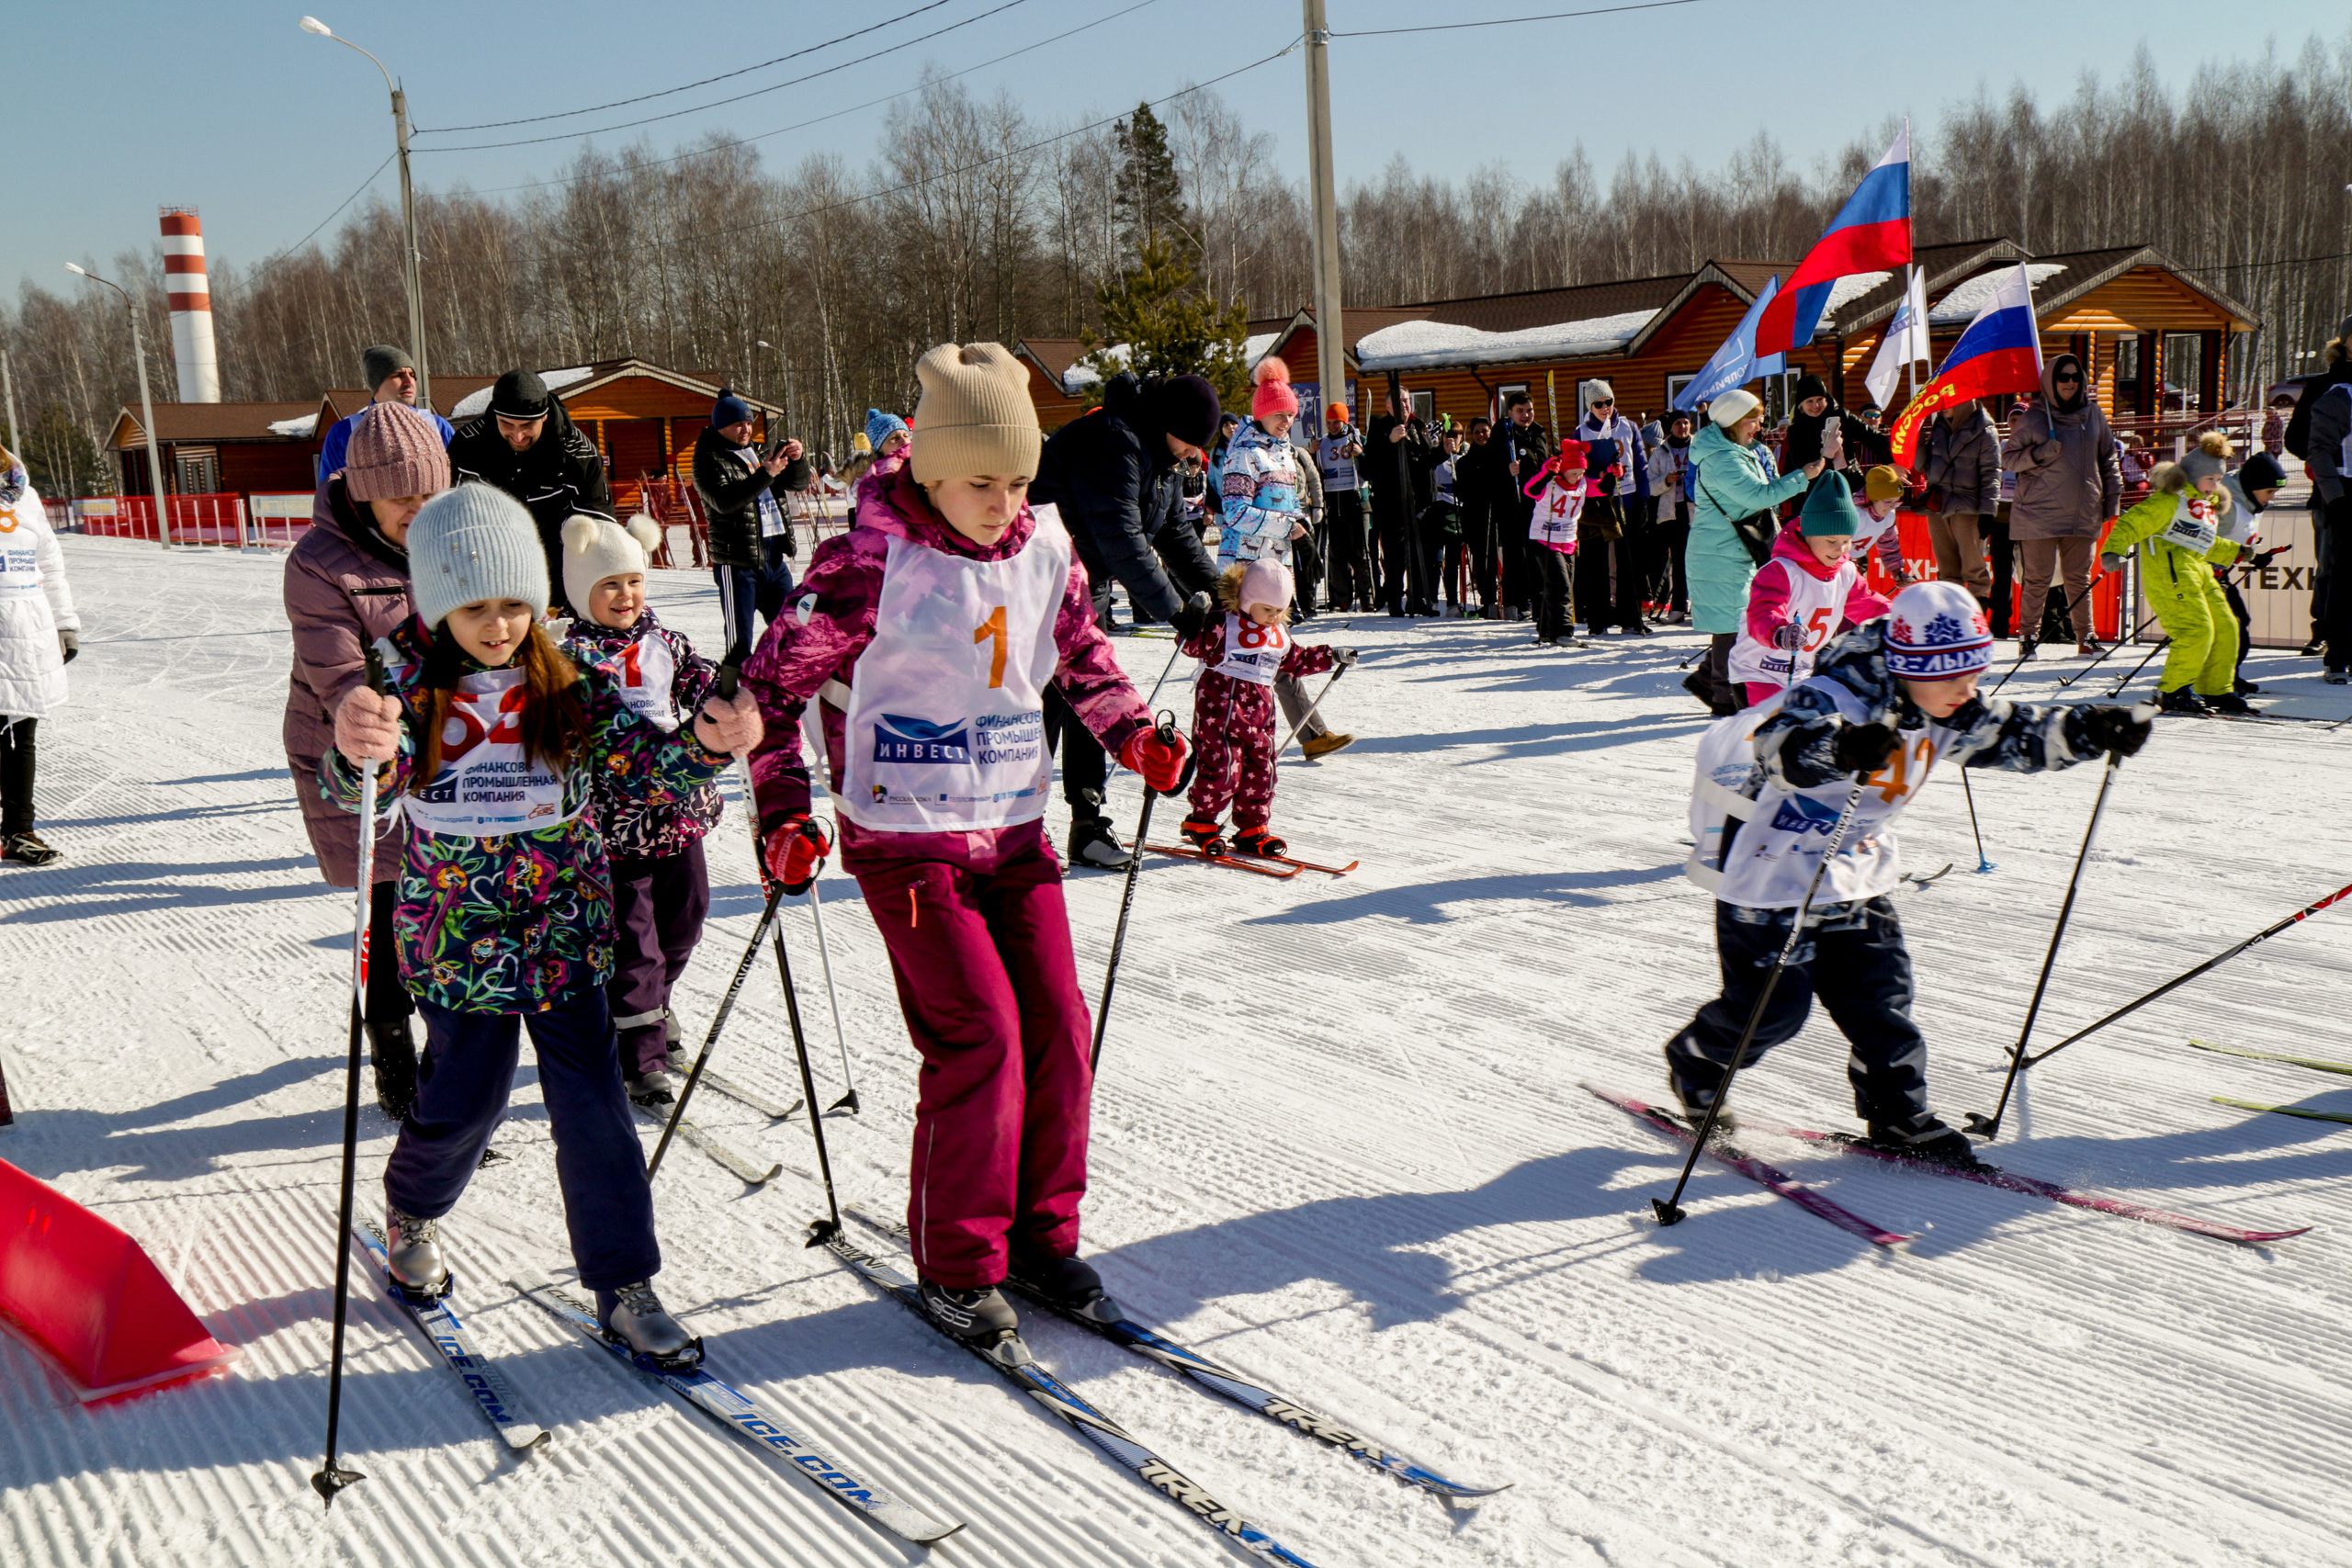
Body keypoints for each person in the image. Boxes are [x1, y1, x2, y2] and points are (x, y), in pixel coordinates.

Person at [739, 342, 1193, 1343]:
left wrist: (1136, 737)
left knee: (1058, 1027)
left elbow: (1083, 661)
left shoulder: (1044, 548)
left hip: (1014, 828)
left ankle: (1039, 1236)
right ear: (929, 470)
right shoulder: (864, 562)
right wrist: (783, 816)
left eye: (1020, 480)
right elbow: (763, 702)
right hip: (904, 837)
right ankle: (957, 1261)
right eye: (981, 481)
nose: (1004, 501)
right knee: (978, 1034)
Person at [324, 484, 764, 1364]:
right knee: (468, 1095)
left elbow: (643, 765)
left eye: (516, 605)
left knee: (592, 1103)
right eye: (475, 608)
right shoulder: (402, 680)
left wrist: (710, 746)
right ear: (436, 601)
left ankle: (625, 1282)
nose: (498, 627)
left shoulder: (566, 680)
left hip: (563, 921)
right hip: (460, 931)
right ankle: (413, 1208)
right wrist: (355, 748)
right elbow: (368, 781)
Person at [1667, 580, 2153, 1159]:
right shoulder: (1833, 696)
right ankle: (1699, 1059)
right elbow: (1779, 747)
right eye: (1947, 676)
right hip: (1771, 873)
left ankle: (1896, 1111)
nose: (1963, 690)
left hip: (1853, 869)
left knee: (1882, 997)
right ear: (1904, 666)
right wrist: (1841, 749)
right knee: (1771, 1010)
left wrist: (2090, 729)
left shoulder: (1949, 705)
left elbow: (2014, 734)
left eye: (1972, 672)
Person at [284, 401, 447, 1114]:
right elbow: (336, 669)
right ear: (363, 491)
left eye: (430, 492)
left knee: (449, 897)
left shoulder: (458, 533)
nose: (419, 508)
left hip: (447, 742)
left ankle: (454, 1058)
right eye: (401, 495)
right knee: (384, 900)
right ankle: (392, 1049)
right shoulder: (317, 564)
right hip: (353, 742)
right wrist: (360, 714)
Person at [560, 512, 724, 1104]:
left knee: (686, 920)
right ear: (582, 591)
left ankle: (657, 1008)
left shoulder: (666, 641)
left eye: (633, 581)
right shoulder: (571, 657)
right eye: (608, 584)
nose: (624, 595)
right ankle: (639, 1053)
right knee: (634, 945)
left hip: (678, 813)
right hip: (613, 823)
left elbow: (698, 683)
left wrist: (725, 694)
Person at [1030, 368, 1221, 869]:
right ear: (1168, 422)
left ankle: (1087, 824)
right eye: (1191, 441)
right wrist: (1177, 613)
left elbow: (1175, 532)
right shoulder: (1114, 441)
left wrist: (1226, 593)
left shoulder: (1159, 458)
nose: (1194, 455)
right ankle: (1022, 825)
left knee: (1088, 701)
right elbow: (1124, 542)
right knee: (1047, 704)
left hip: (1081, 585)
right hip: (1036, 582)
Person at [1217, 360, 1351, 756]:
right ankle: (1225, 731)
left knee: (1274, 650)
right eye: (1280, 414)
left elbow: (1290, 506)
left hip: (1274, 569)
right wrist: (1286, 525)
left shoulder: (1285, 454)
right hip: (1243, 570)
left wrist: (1301, 537)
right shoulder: (1244, 455)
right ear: (1261, 412)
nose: (1287, 421)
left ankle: (1312, 736)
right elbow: (1236, 512)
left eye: (1291, 415)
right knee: (1241, 655)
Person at [1177, 558, 1351, 859]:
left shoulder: (1277, 633)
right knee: (1221, 770)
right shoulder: (1223, 623)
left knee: (1262, 771)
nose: (1273, 617)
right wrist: (1193, 620)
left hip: (1259, 713)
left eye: (1279, 611)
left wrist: (1330, 656)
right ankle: (1201, 822)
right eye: (1267, 610)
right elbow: (1192, 646)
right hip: (1219, 711)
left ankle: (1252, 827)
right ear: (1246, 600)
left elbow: (1296, 660)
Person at [1683, 389, 1823, 716]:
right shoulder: (1722, 459)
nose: (1760, 426)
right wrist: (1804, 476)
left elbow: (1766, 488)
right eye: (1753, 419)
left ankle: (1710, 683)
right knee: (1731, 625)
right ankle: (1722, 700)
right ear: (1734, 421)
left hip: (1734, 548)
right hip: (1720, 553)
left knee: (1742, 620)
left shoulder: (1740, 451)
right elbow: (1758, 496)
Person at [446, 369, 614, 614]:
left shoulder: (578, 455)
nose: (518, 435)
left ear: (544, 416)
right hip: (491, 579)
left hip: (560, 582)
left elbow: (601, 531)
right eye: (507, 424)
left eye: (527, 425)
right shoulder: (468, 445)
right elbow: (452, 520)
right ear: (494, 414)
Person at [2100, 452, 2253, 716]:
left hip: (2199, 570)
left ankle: (2216, 688)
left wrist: (2236, 551)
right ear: (2193, 477)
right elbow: (2130, 523)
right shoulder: (2168, 502)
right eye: (2210, 478)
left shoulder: (2204, 503)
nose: (2215, 485)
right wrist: (2112, 551)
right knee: (2196, 629)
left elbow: (2203, 541)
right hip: (2169, 572)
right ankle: (2173, 691)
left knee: (2227, 626)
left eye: (2219, 479)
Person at [1729, 473, 1891, 707]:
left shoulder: (1845, 572)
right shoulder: (1783, 570)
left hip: (1800, 674)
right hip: (1757, 672)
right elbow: (1763, 611)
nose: (1840, 549)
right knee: (1768, 736)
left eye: (1846, 541)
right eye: (1831, 541)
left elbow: (1867, 604)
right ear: (1808, 534)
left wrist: (1900, 619)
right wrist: (1780, 632)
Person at [2001, 353, 2120, 658]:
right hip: (2038, 512)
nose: (2069, 382)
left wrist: (2113, 496)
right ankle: (2028, 636)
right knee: (2037, 577)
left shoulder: (2093, 414)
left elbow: (2108, 458)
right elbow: (2009, 458)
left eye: (2075, 377)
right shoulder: (2034, 417)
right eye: (2063, 377)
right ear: (2051, 381)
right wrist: (2039, 453)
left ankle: (2086, 637)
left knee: (2079, 577)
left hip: (2084, 507)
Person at [0, 445, 80, 868]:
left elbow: (49, 561)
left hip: (25, 626)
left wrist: (64, 623)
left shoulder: (21, 491)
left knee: (19, 731)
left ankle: (18, 831)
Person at [693, 388, 812, 666]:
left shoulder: (759, 453)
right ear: (721, 426)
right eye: (738, 423)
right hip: (737, 562)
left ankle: (790, 692)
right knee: (739, 643)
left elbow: (797, 484)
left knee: (792, 630)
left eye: (748, 422)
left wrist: (797, 461)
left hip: (773, 558)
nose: (745, 428)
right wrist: (766, 473)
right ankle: (729, 701)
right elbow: (724, 501)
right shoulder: (708, 459)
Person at [1572, 380, 1653, 635]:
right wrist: (1601, 472)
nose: (1605, 407)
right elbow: (1578, 469)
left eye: (1609, 402)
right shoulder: (1582, 432)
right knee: (1595, 561)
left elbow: (1640, 464)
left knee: (1630, 560)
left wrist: (1644, 500)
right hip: (1596, 502)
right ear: (1590, 406)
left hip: (1626, 497)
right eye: (1599, 404)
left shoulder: (1629, 427)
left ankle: (1630, 617)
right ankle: (1598, 619)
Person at [2209, 445, 2289, 693]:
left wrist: (2254, 558)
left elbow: (2236, 542)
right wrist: (2237, 557)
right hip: (2202, 573)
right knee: (2232, 623)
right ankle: (2216, 680)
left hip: (2217, 571)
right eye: (2270, 491)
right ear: (2254, 486)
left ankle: (2227, 676)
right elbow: (2202, 543)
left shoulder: (2249, 499)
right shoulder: (2228, 506)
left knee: (2237, 622)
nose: (2272, 497)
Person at [1917, 397, 2001, 620]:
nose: (1944, 408)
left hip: (1968, 508)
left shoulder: (1985, 430)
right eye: (1942, 404)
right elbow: (1921, 466)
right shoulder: (1938, 427)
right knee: (1947, 569)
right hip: (1938, 506)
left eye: (1950, 402)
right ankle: (1949, 620)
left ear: (1964, 401)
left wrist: (1988, 510)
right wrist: (1916, 439)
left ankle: (1976, 620)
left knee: (1973, 569)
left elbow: (1992, 472)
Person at [317, 344, 453, 483]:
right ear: (377, 382)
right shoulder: (345, 431)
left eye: (412, 375)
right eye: (398, 375)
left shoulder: (437, 426)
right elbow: (329, 493)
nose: (409, 382)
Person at [2302, 317, 2352, 682]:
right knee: (2342, 577)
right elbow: (2316, 450)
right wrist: (2335, 497)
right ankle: (2337, 656)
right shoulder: (2338, 394)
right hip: (2346, 493)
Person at [1370, 392, 1435, 615]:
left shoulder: (1418, 425)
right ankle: (1395, 601)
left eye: (1407, 400)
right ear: (1388, 406)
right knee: (1395, 554)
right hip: (1391, 500)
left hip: (1419, 499)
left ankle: (1416, 599)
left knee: (1419, 553)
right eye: (1398, 402)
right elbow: (1371, 466)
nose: (1404, 405)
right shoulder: (1380, 427)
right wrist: (1390, 442)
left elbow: (1425, 461)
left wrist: (1443, 452)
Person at [1521, 443, 1588, 647]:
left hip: (1568, 540)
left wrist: (1613, 475)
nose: (1577, 477)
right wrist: (1547, 472)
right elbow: (1530, 490)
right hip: (1545, 539)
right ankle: (1563, 630)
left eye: (1581, 472)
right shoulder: (1551, 483)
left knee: (1558, 585)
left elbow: (1602, 488)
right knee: (1562, 586)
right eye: (1573, 473)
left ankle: (1546, 629)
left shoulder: (1583, 483)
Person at [1497, 392, 1553, 620]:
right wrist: (1505, 470)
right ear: (1510, 412)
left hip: (1535, 502)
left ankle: (1538, 600)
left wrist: (1526, 459)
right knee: (1513, 553)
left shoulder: (1538, 432)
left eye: (1529, 410)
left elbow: (1542, 460)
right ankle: (1516, 602)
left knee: (1535, 552)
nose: (1526, 415)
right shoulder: (1502, 433)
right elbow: (1492, 463)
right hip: (1511, 502)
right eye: (1520, 411)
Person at [1317, 405, 1374, 612]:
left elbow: (1371, 473)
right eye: (1329, 422)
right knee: (1336, 555)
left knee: (1361, 553)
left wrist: (1361, 455)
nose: (1332, 426)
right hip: (1334, 504)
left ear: (1345, 422)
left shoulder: (1359, 440)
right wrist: (1312, 453)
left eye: (1336, 422)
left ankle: (1367, 598)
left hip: (1356, 503)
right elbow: (1317, 475)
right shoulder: (1322, 443)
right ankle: (1341, 599)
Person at [1454, 415, 1509, 617]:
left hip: (1497, 514)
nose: (1481, 435)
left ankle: (1507, 599)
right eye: (1476, 432)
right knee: (1482, 560)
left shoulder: (1499, 457)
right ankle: (1488, 601)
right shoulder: (1465, 462)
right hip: (1475, 516)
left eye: (1484, 431)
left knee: (1500, 559)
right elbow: (1462, 491)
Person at [1647, 410, 1697, 624]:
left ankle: (1700, 605)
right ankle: (1678, 606)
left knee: (1700, 560)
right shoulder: (1661, 451)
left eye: (1686, 423)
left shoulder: (1699, 446)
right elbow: (1650, 486)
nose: (1683, 427)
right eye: (1678, 423)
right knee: (1678, 559)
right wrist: (1666, 480)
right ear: (1671, 427)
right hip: (1673, 510)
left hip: (1697, 509)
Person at [1426, 423, 1470, 615]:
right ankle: (1432, 600)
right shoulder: (1437, 455)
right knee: (1435, 559)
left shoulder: (1464, 457)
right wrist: (1443, 452)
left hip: (1458, 509)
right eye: (1447, 435)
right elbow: (1430, 464)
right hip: (1438, 507)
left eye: (1455, 436)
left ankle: (1452, 602)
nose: (1451, 439)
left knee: (1453, 561)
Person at [842, 409, 909, 494]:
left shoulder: (920, 468)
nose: (904, 441)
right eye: (894, 438)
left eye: (906, 435)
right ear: (878, 449)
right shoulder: (872, 485)